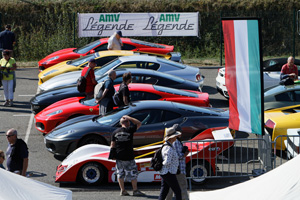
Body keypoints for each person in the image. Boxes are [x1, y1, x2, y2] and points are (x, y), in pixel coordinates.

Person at [110, 115, 146, 196]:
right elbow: (139, 123)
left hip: (119, 156)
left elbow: (112, 145)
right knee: (133, 173)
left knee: (120, 173)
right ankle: (135, 190)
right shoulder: (130, 130)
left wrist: (112, 155)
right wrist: (129, 117)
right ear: (128, 122)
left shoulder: (115, 132)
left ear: (120, 123)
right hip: (129, 156)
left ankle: (123, 190)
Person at [166, 124, 189, 200]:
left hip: (173, 169)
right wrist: (184, 154)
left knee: (170, 188)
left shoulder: (172, 141)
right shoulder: (176, 142)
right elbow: (176, 156)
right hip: (179, 170)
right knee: (183, 187)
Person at [159, 126, 182, 200]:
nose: (176, 137)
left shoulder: (167, 146)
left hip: (166, 172)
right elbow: (167, 161)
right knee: (178, 191)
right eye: (175, 136)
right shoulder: (168, 148)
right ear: (171, 137)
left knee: (164, 191)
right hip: (169, 172)